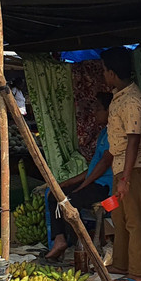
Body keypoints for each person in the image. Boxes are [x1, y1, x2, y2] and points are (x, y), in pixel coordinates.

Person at [102, 47, 141, 281]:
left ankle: (137, 272)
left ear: (111, 72)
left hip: (132, 167)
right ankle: (121, 263)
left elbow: (133, 140)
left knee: (135, 219)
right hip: (121, 166)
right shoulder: (119, 96)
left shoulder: (131, 100)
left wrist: (126, 178)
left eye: (104, 71)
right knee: (119, 218)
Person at [46, 92, 113, 261]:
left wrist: (82, 186)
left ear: (109, 111)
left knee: (70, 201)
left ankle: (83, 245)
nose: (95, 113)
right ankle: (60, 240)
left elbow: (104, 164)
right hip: (93, 182)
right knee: (55, 195)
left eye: (99, 109)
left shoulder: (114, 134)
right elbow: (91, 168)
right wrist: (65, 183)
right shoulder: (104, 133)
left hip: (103, 187)